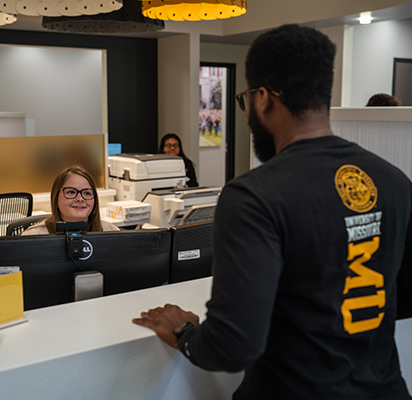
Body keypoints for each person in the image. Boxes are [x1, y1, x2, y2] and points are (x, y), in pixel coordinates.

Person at [133, 24, 412, 399]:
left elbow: (232, 346)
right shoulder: (392, 180)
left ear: (263, 97)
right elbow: (404, 299)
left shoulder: (254, 196)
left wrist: (185, 333)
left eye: (245, 99)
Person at [21, 165, 119, 235]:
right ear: (56, 198)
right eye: (71, 192)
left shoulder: (111, 233)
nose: (80, 199)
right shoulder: (33, 237)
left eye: (87, 193)